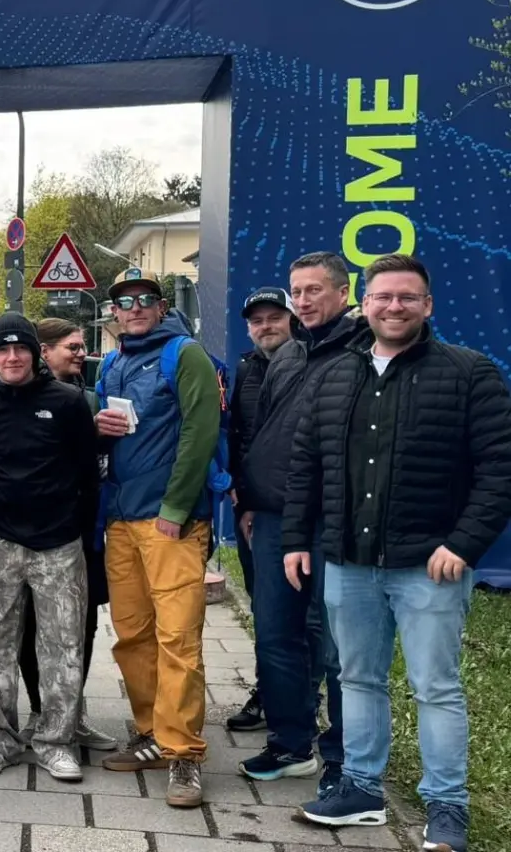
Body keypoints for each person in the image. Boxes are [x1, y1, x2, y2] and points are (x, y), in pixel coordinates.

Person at [285, 255, 511, 852]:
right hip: (348, 564)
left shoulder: (469, 373)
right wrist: (293, 541)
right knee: (357, 679)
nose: (393, 307)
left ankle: (447, 807)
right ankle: (361, 789)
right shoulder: (336, 375)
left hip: (428, 567)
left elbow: (500, 470)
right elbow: (306, 465)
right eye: (383, 297)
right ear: (365, 302)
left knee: (436, 687)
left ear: (427, 305)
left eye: (407, 297)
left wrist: (462, 544)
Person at [93, 268, 221, 808]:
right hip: (121, 520)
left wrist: (177, 505)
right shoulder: (113, 362)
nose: (136, 307)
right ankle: (150, 733)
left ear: (161, 305)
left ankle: (184, 753)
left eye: (146, 299)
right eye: (125, 302)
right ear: (114, 313)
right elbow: (105, 437)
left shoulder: (184, 354)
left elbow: (201, 429)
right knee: (133, 637)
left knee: (178, 640)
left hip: (171, 521)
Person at [0, 314, 100, 783]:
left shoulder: (68, 401)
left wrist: (78, 529)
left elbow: (86, 473)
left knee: (62, 645)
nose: (12, 357)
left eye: (20, 349)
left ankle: (56, 740)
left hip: (58, 543)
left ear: (35, 353)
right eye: (2, 350)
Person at [238, 256, 358, 793]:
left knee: (339, 647)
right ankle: (291, 743)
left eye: (314, 290)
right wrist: (249, 499)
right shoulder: (287, 356)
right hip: (272, 517)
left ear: (344, 291)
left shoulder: (364, 352)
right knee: (275, 634)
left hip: (336, 520)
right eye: (297, 292)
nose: (304, 301)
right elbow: (265, 433)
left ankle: (344, 758)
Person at [29, 318, 119, 753]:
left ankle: (72, 713)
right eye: (71, 346)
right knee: (34, 625)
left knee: (81, 625)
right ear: (43, 352)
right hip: (44, 530)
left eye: (82, 346)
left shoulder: (91, 394)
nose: (80, 352)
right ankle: (39, 710)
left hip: (88, 528)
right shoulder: (27, 397)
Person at [221, 289, 293, 735]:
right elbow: (240, 436)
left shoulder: (310, 363)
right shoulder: (246, 368)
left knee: (304, 617)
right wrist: (241, 498)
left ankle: (299, 698)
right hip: (255, 513)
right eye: (257, 320)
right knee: (264, 608)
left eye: (274, 318)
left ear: (292, 320)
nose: (266, 326)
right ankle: (270, 693)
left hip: (300, 512)